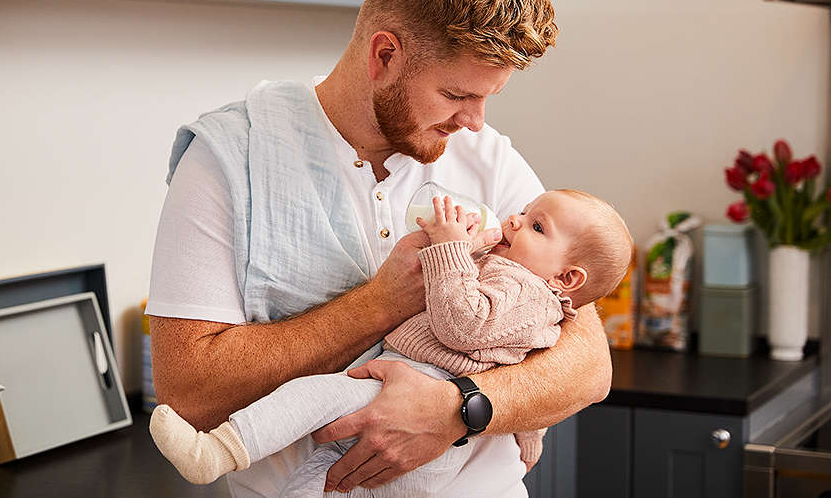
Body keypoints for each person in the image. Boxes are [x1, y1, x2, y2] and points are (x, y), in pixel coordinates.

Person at [145, 0, 613, 496]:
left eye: (488, 97)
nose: (475, 121)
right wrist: (378, 305)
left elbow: (589, 366)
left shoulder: (490, 160)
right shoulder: (228, 159)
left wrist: (456, 408)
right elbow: (189, 394)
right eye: (456, 95)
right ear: (385, 54)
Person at [150, 191, 634, 497]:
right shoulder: (518, 277)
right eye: (524, 212)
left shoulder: (527, 291)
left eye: (536, 226)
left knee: (312, 396)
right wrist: (531, 433)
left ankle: (215, 452)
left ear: (568, 277)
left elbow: (463, 326)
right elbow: (530, 362)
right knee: (319, 482)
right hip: (404, 393)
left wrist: (449, 248)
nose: (513, 221)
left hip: (418, 389)